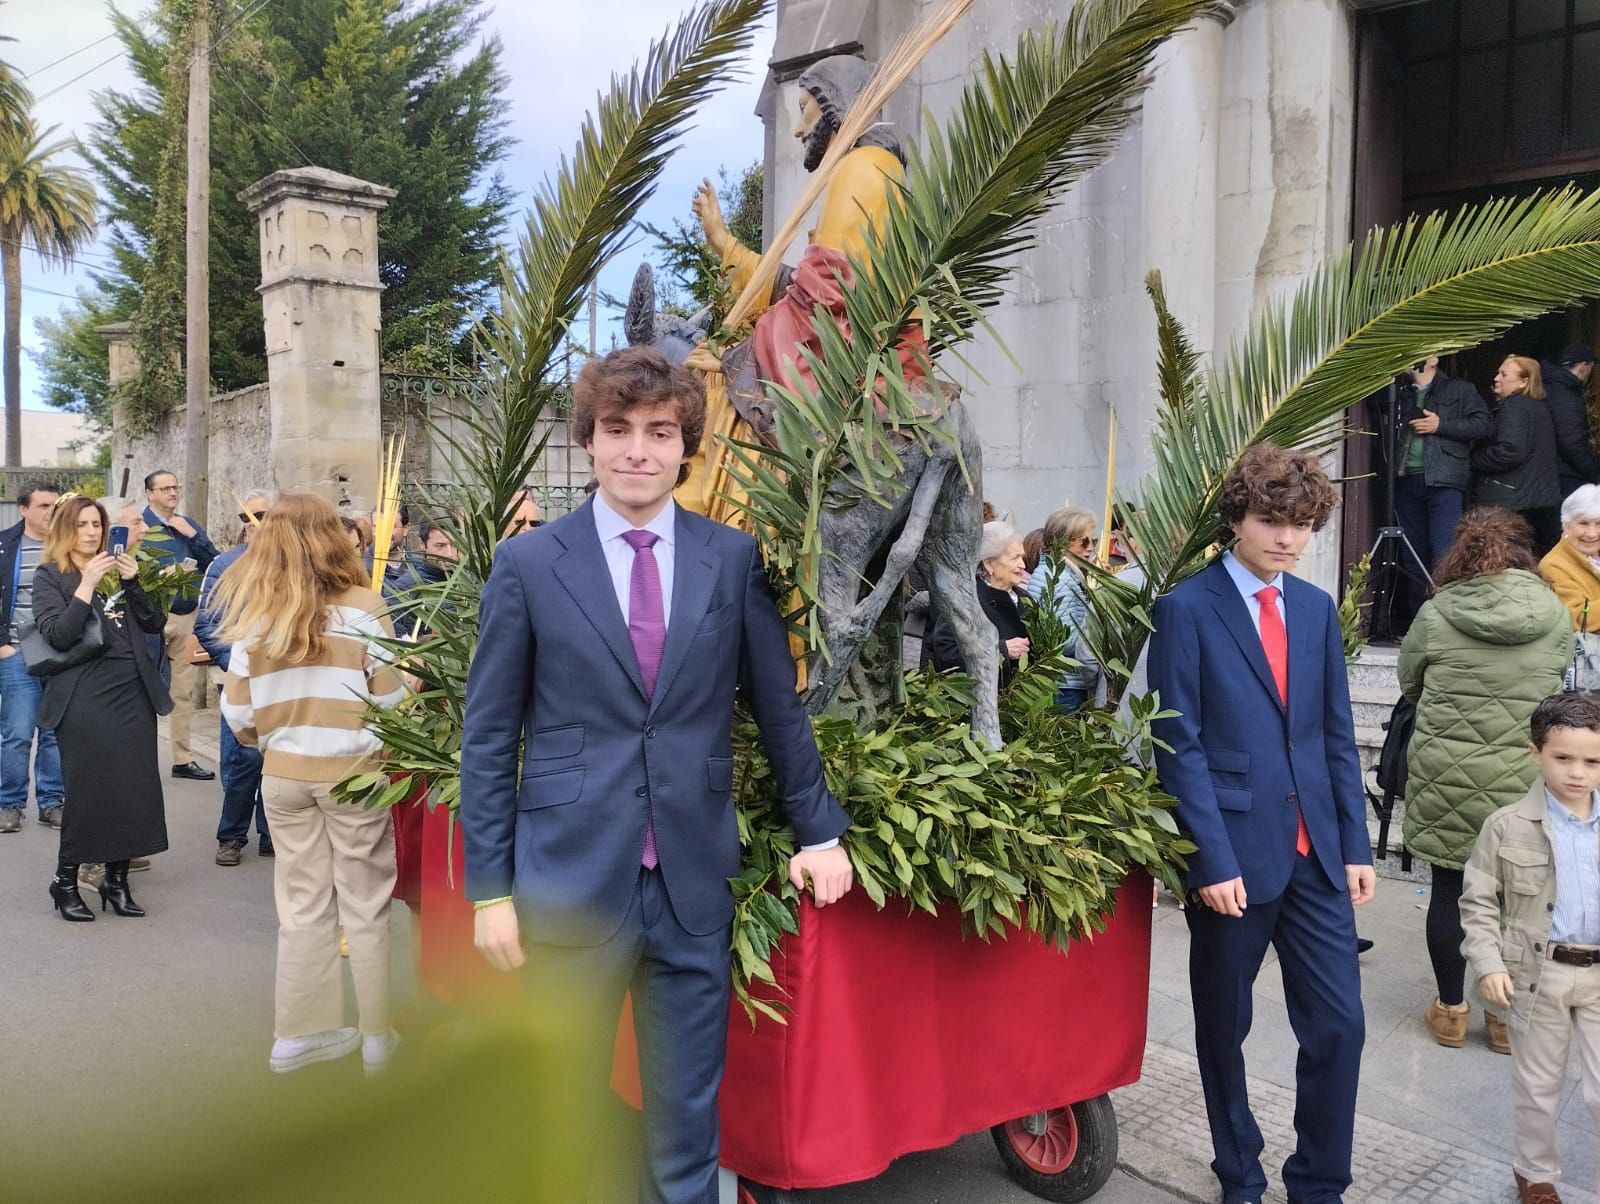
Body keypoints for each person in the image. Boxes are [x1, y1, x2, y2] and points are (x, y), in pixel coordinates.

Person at [461, 346, 853, 1203]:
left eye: (659, 431)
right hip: (567, 882)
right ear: (589, 442)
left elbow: (775, 710)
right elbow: (488, 737)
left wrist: (819, 829)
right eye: (618, 429)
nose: (638, 449)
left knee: (685, 1131)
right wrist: (488, 891)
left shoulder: (730, 559)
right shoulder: (530, 565)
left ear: (686, 447)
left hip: (689, 885)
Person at [1148, 442, 1374, 1204]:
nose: (1288, 537)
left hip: (1315, 855)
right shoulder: (1186, 608)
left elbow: (1334, 735)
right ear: (1237, 519)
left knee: (1340, 1027)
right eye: (1272, 519)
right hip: (1233, 859)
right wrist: (1208, 860)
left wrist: (1354, 845)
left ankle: (1318, 1184)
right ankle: (1238, 1171)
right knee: (1223, 1028)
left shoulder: (1313, 608)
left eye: (1303, 523)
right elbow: (1177, 744)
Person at [215, 493, 405, 1076]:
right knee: (366, 905)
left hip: (284, 779)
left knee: (301, 907)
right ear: (334, 537)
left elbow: (239, 716)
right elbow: (391, 700)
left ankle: (299, 1033)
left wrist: (275, 741)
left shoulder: (255, 614)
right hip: (355, 776)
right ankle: (376, 1033)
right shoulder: (365, 608)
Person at [1398, 507, 1571, 1054]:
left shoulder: (1438, 610)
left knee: (1449, 888)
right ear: (1526, 554)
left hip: (1446, 770)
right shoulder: (1555, 613)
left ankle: (1451, 1012)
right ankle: (1502, 1020)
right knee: (1517, 898)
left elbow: (1410, 681)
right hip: (1523, 776)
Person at [1461, 693, 1600, 1204]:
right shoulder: (1506, 825)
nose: (1578, 773)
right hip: (1538, 973)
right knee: (1539, 1085)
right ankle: (1536, 1174)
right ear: (1535, 753)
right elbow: (1477, 901)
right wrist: (1489, 963)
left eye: (1592, 761)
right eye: (1563, 758)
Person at [33, 496, 171, 922]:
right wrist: (86, 585)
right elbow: (58, 635)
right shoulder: (50, 575)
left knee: (132, 789)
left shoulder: (120, 568)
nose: (92, 532)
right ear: (64, 531)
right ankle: (66, 881)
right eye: (82, 525)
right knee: (90, 790)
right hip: (84, 696)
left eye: (98, 524)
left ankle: (116, 881)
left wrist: (132, 582)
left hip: (132, 692)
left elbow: (154, 623)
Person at [194, 490, 275, 866]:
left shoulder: (293, 566)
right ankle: (231, 836)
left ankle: (271, 834)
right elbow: (206, 623)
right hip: (242, 680)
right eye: (249, 516)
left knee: (277, 760)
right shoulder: (224, 566)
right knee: (241, 761)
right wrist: (237, 663)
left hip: (283, 681)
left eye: (263, 515)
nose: (255, 523)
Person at [1393, 357, 1493, 624]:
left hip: (1444, 481)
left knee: (1445, 552)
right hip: (1406, 479)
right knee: (1412, 554)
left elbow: (1485, 425)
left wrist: (1442, 425)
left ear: (1434, 359)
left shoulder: (1459, 389)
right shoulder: (1400, 389)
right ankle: (1419, 623)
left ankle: (1448, 622)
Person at [141, 468, 219, 781]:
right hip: (149, 619)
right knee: (141, 690)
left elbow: (214, 561)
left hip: (185, 616)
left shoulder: (188, 526)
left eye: (175, 487)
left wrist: (193, 536)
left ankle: (183, 760)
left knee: (182, 692)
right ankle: (139, 760)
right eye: (165, 489)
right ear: (150, 494)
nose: (173, 493)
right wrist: (160, 578)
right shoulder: (139, 526)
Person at [0, 480, 65, 832]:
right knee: (18, 733)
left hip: (60, 653)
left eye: (55, 505)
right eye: (43, 506)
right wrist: (2, 645)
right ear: (23, 509)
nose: (51, 512)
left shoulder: (66, 546)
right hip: (16, 653)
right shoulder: (5, 545)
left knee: (54, 732)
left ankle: (52, 802)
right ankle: (9, 804)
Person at [926, 520, 1031, 690]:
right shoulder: (965, 600)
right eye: (1014, 558)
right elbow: (946, 651)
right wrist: (1001, 650)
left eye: (1022, 557)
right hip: (979, 702)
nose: (1023, 565)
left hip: (1025, 705)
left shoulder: (1027, 600)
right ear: (989, 563)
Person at [1473, 357, 1562, 555]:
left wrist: (1474, 460)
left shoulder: (1514, 405)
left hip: (1513, 498)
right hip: (1536, 498)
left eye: (1503, 374)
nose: (1496, 378)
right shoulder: (1538, 407)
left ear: (1523, 382)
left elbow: (1510, 451)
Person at [1024, 506, 1102, 711]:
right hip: (1067, 683)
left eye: (1093, 541)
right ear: (1064, 540)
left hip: (1064, 680)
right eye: (1084, 541)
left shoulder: (1056, 573)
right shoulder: (1059, 578)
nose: (1090, 548)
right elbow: (1062, 640)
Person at [1540, 342, 1598, 499]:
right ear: (1583, 367)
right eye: (1591, 366)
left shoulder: (1551, 386)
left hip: (1549, 474)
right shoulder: (1566, 396)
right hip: (1566, 476)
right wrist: (1594, 473)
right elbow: (1571, 443)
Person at [1538, 484, 1600, 629]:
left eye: (1599, 524)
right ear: (1566, 525)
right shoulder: (1553, 566)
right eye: (1583, 523)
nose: (1591, 533)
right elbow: (1578, 617)